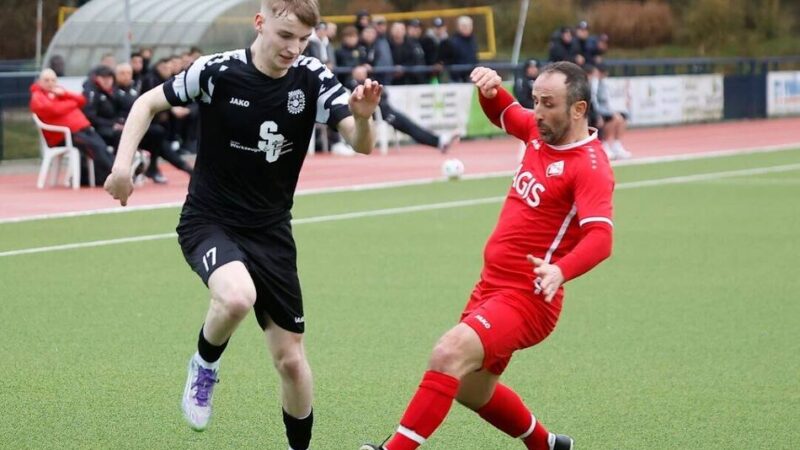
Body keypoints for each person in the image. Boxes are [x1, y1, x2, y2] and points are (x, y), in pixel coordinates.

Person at [104, 2, 382, 450]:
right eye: (285, 36)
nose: (294, 48)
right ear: (260, 23)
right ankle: (204, 365)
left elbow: (361, 144)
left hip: (272, 232)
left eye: (304, 40)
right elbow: (146, 102)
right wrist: (122, 168)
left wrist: (364, 115)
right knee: (236, 297)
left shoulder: (313, 77)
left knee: (291, 362)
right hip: (210, 221)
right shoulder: (217, 72)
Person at [360, 62, 615, 450]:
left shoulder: (590, 166)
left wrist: (560, 271)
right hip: (491, 286)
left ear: (578, 110)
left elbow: (601, 238)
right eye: (536, 101)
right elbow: (504, 113)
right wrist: (490, 89)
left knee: (448, 353)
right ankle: (547, 445)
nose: (538, 112)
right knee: (470, 390)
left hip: (528, 297)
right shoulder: (537, 131)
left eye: (549, 104)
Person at [29, 68, 114, 185]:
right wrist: (70, 104)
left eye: (53, 80)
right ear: (39, 82)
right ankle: (112, 175)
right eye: (46, 80)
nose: (50, 83)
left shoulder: (59, 92)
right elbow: (53, 109)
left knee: (102, 146)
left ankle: (116, 172)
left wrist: (65, 94)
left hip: (83, 129)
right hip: (63, 136)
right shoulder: (37, 97)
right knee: (95, 148)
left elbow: (81, 100)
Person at [350, 65, 458, 151]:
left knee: (410, 126)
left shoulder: (370, 82)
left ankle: (439, 141)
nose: (361, 73)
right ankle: (439, 141)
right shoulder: (351, 85)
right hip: (375, 114)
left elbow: (383, 94)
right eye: (358, 72)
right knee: (409, 126)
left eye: (363, 71)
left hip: (384, 111)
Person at [587, 64, 631, 159]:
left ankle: (616, 144)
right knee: (613, 118)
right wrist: (598, 114)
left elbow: (607, 100)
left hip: (604, 108)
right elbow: (593, 99)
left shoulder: (603, 83)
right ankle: (605, 144)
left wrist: (612, 110)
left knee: (623, 117)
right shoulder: (594, 83)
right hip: (597, 110)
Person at [439, 16, 478, 82]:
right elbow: (447, 59)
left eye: (469, 25)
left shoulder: (473, 39)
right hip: (457, 78)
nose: (466, 28)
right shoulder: (452, 41)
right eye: (464, 25)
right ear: (458, 27)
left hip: (471, 76)